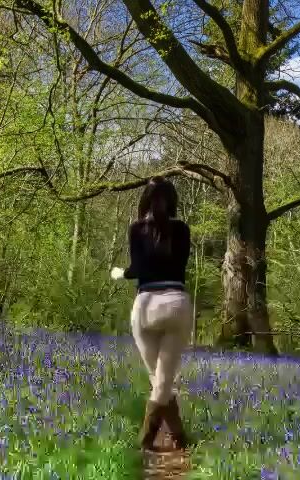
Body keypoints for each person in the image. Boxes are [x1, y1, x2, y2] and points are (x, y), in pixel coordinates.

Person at [110, 176, 193, 452]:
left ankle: (144, 443)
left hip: (146, 306)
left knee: (158, 379)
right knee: (163, 381)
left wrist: (120, 273)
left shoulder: (136, 229)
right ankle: (180, 439)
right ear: (173, 201)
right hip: (176, 305)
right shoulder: (182, 230)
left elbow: (138, 269)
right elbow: (178, 264)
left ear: (144, 200)